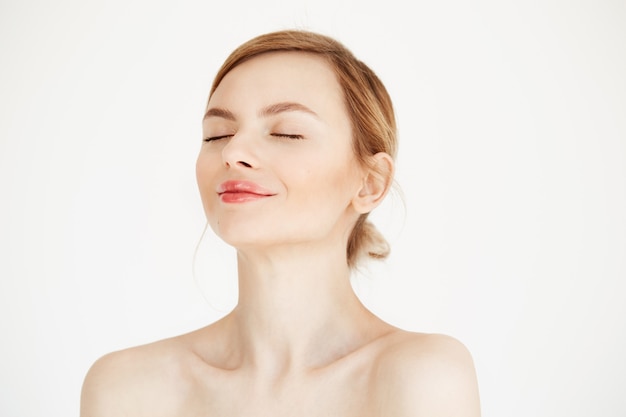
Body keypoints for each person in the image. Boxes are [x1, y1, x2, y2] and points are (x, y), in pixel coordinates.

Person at [80, 29, 481, 416]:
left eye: (287, 133)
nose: (234, 151)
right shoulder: (126, 388)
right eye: (217, 135)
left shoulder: (424, 377)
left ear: (370, 183)